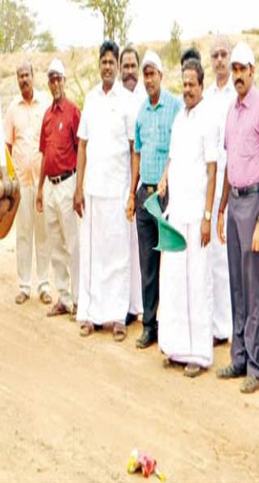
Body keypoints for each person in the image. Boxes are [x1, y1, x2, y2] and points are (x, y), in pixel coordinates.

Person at [215, 41, 259, 394]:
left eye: (243, 69)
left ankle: (256, 365)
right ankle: (238, 357)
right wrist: (222, 205)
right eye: (234, 69)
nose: (238, 74)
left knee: (254, 287)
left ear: (253, 71)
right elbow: (228, 164)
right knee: (236, 285)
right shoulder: (231, 110)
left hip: (255, 203)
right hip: (234, 202)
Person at [157, 59, 218, 378]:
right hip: (176, 212)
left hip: (197, 216)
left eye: (192, 84)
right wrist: (166, 175)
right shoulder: (180, 118)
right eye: (184, 84)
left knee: (197, 280)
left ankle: (198, 353)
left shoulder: (208, 118)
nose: (187, 89)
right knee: (175, 279)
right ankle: (176, 346)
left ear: (202, 85)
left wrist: (208, 216)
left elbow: (212, 169)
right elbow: (173, 155)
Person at [75, 40, 135, 342]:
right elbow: (82, 145)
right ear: (99, 65)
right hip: (93, 191)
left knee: (118, 256)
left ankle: (117, 316)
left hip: (119, 190)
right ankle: (89, 313)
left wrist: (132, 192)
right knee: (92, 255)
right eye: (104, 62)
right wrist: (78, 187)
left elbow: (133, 148)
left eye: (113, 62)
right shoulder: (91, 99)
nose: (108, 67)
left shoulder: (127, 101)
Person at [128, 51, 182, 349]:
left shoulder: (174, 106)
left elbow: (177, 148)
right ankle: (150, 325)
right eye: (145, 74)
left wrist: (166, 178)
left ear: (161, 74)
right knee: (148, 264)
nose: (149, 79)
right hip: (144, 195)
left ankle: (172, 327)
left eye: (152, 73)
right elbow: (137, 152)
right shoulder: (141, 112)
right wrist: (132, 192)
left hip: (167, 196)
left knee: (170, 265)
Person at [4, 61, 51, 306]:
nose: (24, 80)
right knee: (24, 235)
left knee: (43, 235)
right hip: (22, 183)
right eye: (20, 76)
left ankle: (44, 285)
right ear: (17, 79)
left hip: (42, 183)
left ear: (34, 76)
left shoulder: (45, 105)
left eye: (27, 75)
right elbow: (8, 145)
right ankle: (24, 285)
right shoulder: (13, 109)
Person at [37, 58, 81, 318]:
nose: (55, 83)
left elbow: (82, 150)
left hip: (68, 183)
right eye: (51, 78)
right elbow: (44, 153)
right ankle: (63, 297)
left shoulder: (73, 111)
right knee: (55, 244)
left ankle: (77, 300)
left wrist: (79, 188)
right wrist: (40, 188)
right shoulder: (47, 115)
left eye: (58, 78)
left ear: (64, 81)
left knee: (72, 244)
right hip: (51, 187)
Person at [203, 35, 236, 346]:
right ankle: (213, 324)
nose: (220, 60)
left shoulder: (236, 95)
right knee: (211, 254)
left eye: (224, 54)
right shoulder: (207, 96)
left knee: (228, 258)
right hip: (210, 183)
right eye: (215, 55)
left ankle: (227, 325)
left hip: (235, 183)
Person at [120, 46, 146, 326]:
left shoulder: (143, 99)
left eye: (132, 66)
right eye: (124, 66)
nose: (129, 72)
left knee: (142, 247)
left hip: (141, 183)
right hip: (121, 183)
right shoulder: (114, 99)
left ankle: (140, 305)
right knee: (123, 245)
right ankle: (126, 303)